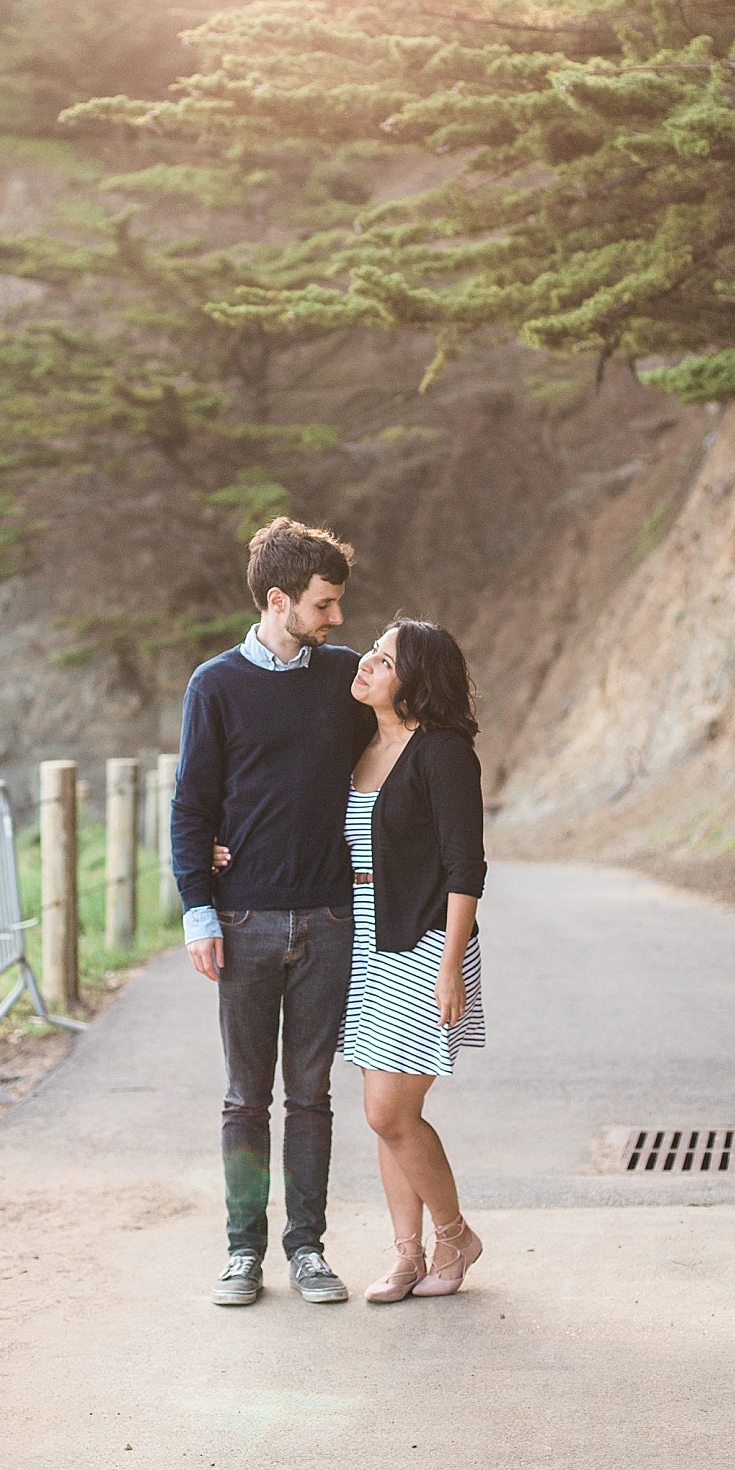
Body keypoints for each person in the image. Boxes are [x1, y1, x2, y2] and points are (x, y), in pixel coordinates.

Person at [171, 516, 373, 1308]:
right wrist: (199, 908)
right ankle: (242, 1252)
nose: (337, 618)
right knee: (245, 1098)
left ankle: (308, 1249)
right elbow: (192, 806)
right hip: (244, 920)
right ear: (279, 600)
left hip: (329, 918)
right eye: (324, 604)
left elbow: (399, 747)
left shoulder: (346, 677)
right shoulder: (215, 684)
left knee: (312, 1097)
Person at [341, 617, 487, 1302]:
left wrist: (450, 964)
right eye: (372, 652)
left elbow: (465, 866)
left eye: (385, 660)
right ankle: (407, 1255)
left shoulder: (443, 752)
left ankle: (455, 1236)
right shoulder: (359, 743)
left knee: (387, 1112)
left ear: (415, 682)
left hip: (424, 942)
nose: (367, 663)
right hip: (366, 939)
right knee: (387, 1114)